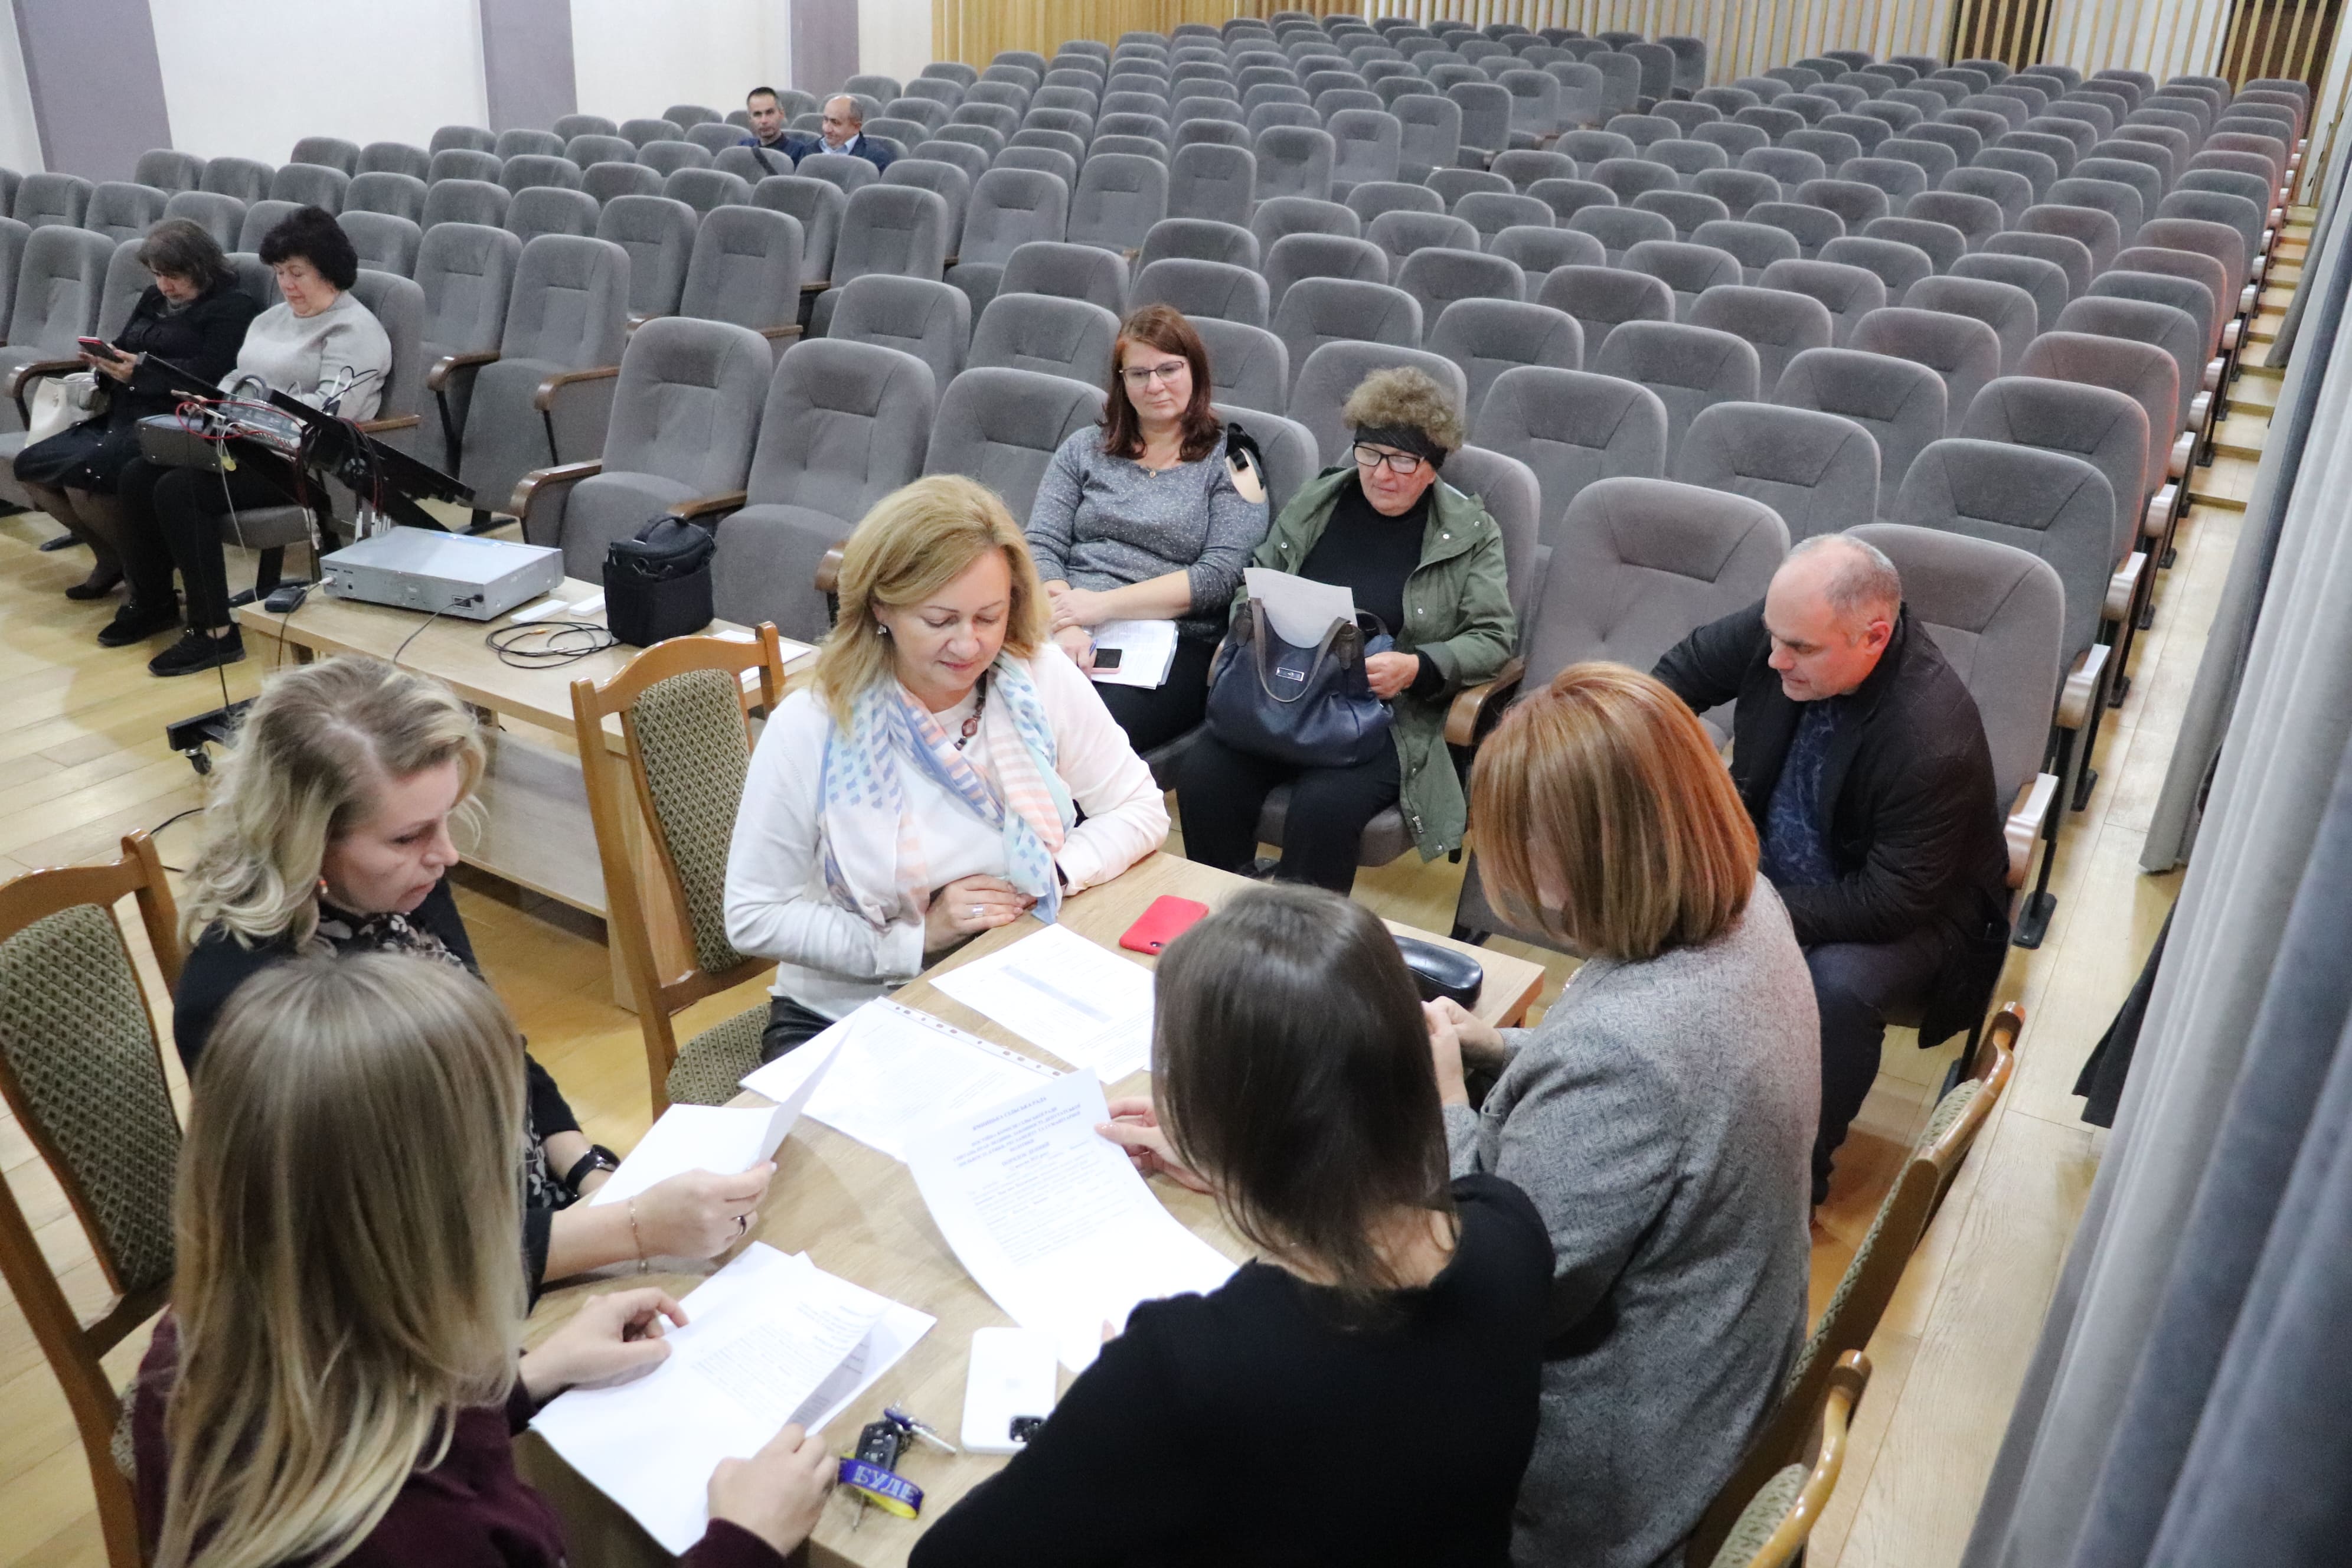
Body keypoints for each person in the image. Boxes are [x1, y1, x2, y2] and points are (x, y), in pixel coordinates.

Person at [910, 886, 1553, 1567]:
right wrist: (1239, 1164)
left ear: (1211, 1112)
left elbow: (948, 1558)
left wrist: (1117, 1407)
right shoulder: (1510, 1231)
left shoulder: (1181, 1374)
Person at [133, 953, 835, 1568]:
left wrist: (531, 1377)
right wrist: (744, 1542)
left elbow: (384, 1419)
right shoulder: (431, 1537)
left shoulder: (188, 1356)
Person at [173, 655, 770, 1296]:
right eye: (408, 837)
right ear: (305, 837)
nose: (447, 855)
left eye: (447, 819)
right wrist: (631, 1228)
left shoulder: (396, 888)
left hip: (534, 1226)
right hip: (440, 1292)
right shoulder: (238, 998)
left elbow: (503, 1054)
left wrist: (591, 1175)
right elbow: (379, 1258)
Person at [1426, 662, 1818, 1568]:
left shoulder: (1626, 1056)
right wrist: (1496, 1048)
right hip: (1716, 1391)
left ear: (1585, 857)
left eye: (1517, 841)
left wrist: (1441, 1099)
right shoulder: (1748, 911)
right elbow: (1651, 1093)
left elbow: (1490, 1284)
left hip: (1616, 1490)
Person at [724, 473, 1168, 1062]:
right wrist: (918, 939)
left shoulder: (1036, 675)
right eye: (940, 621)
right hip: (850, 1009)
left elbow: (1139, 807)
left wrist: (1054, 875)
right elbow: (754, 917)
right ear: (880, 607)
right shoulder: (813, 724)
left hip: (1009, 974)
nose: (969, 645)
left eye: (989, 617)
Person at [1651, 533, 2010, 1203]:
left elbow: (1891, 899)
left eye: (1800, 649)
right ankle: (1673, 1117)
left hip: (1914, 913)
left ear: (1874, 637)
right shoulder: (1792, 627)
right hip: (1788, 863)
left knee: (1836, 988)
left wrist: (1744, 905)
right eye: (1772, 636)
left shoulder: (1931, 736)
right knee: (1658, 886)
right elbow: (1676, 676)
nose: (1774, 659)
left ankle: (1791, 1183)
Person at [1175, 366, 1514, 893]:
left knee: (1324, 807)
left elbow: (1493, 638)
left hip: (1382, 715)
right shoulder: (1319, 500)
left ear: (1433, 466)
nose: (1382, 474)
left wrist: (1416, 667)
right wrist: (1258, 619)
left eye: (1403, 460)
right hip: (1285, 689)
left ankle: (1305, 937)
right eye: (1370, 454)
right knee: (1204, 775)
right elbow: (1256, 578)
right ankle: (1221, 915)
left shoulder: (1470, 532)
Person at [108, 204, 394, 677]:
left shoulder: (354, 330)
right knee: (139, 471)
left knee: (179, 490)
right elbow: (234, 379)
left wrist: (247, 410)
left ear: (329, 271)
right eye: (280, 273)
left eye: (297, 273)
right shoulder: (272, 319)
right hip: (244, 443)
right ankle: (154, 602)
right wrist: (217, 407)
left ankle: (215, 633)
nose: (286, 284)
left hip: (306, 465)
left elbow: (329, 415)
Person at [1024, 305, 1268, 752]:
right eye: (1139, 374)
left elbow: (1221, 576)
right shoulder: (1084, 448)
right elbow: (1042, 543)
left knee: (1074, 739)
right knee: (992, 706)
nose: (1155, 386)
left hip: (1172, 639)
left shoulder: (1236, 460)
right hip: (1064, 620)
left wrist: (1098, 607)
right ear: (1122, 382)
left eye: (1169, 369)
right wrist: (1065, 621)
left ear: (1194, 371)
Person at [14, 218, 259, 603]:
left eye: (172, 276)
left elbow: (211, 376)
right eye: (158, 275)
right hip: (123, 411)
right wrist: (106, 361)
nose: (164, 286)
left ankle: (146, 573)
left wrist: (140, 373)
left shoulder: (233, 307)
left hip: (172, 420)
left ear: (200, 267)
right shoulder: (153, 299)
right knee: (30, 466)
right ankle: (113, 557)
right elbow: (125, 343)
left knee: (88, 477)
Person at [793, 94, 896, 171]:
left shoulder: (874, 159)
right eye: (825, 120)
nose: (826, 129)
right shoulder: (809, 151)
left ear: (856, 127)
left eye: (835, 122)